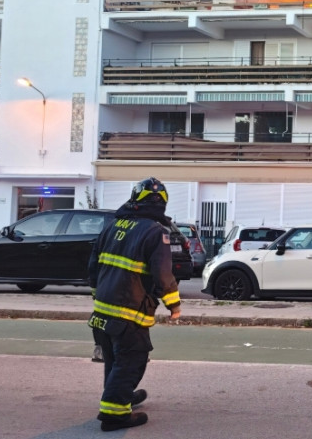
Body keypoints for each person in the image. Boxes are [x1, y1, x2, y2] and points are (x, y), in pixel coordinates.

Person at [87, 177, 181, 432]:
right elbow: (163, 274)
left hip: (103, 310)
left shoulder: (113, 225)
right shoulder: (155, 232)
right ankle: (114, 415)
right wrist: (174, 305)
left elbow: (93, 265)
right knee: (131, 361)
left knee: (114, 360)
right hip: (129, 311)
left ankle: (120, 396)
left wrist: (97, 294)